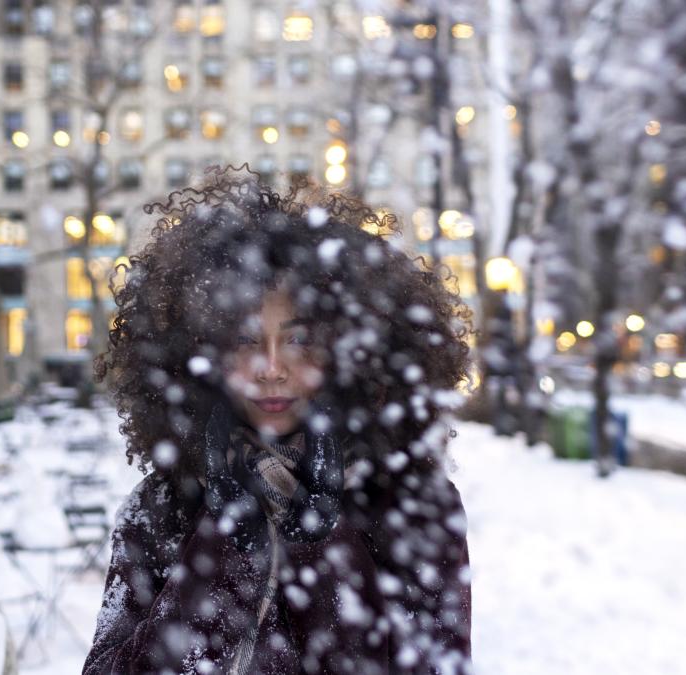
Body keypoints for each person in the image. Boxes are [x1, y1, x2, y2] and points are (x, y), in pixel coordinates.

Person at [84, 168, 474, 675]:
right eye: (245, 340)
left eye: (298, 339)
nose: (271, 367)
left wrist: (320, 544)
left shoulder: (415, 506)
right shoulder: (159, 508)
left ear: (347, 349)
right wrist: (223, 546)